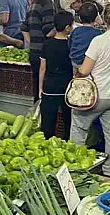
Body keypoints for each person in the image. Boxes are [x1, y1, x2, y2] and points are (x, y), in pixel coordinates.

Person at [71, 2, 110, 177]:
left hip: (95, 96)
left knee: (79, 130)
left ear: (103, 18)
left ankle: (77, 171)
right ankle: (109, 172)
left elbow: (85, 70)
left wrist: (77, 73)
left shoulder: (99, 41)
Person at [21, 0, 62, 101]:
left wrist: (33, 44)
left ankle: (36, 118)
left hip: (34, 54)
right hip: (45, 57)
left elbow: (24, 27)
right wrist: (64, 30)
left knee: (37, 92)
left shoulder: (35, 1)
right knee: (46, 94)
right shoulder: (47, 3)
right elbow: (49, 31)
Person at [39, 11, 75, 139]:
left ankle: (47, 143)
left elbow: (42, 68)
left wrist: (40, 87)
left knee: (48, 122)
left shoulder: (47, 44)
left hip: (50, 87)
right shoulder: (71, 45)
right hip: (67, 87)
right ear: (67, 28)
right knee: (68, 121)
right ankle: (66, 143)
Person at [69, 2, 102, 67]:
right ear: (96, 17)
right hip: (86, 63)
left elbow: (70, 44)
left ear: (80, 18)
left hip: (73, 61)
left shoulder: (75, 31)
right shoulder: (97, 33)